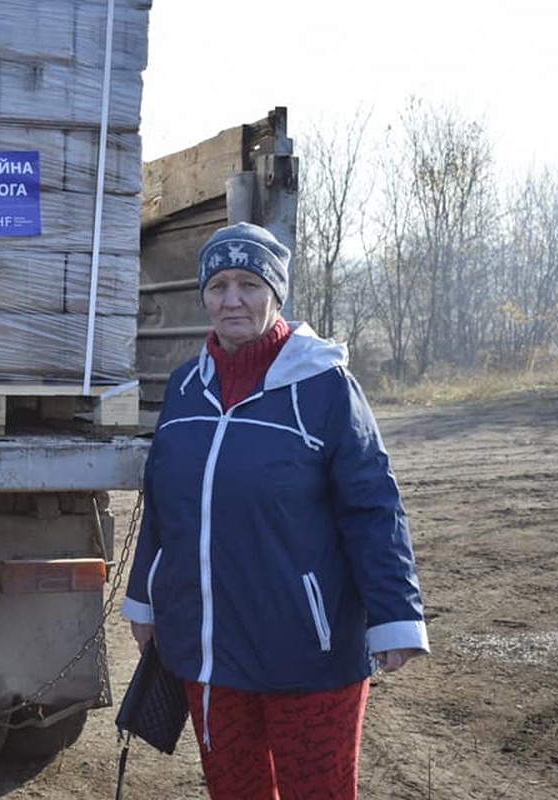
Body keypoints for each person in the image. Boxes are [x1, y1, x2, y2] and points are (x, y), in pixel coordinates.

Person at [121, 221, 428, 799]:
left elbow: (372, 507)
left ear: (276, 293)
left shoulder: (325, 386)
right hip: (209, 651)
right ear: (204, 295)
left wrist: (395, 616)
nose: (232, 299)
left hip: (307, 650)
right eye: (218, 286)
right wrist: (145, 600)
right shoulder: (186, 386)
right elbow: (163, 504)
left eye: (249, 284)